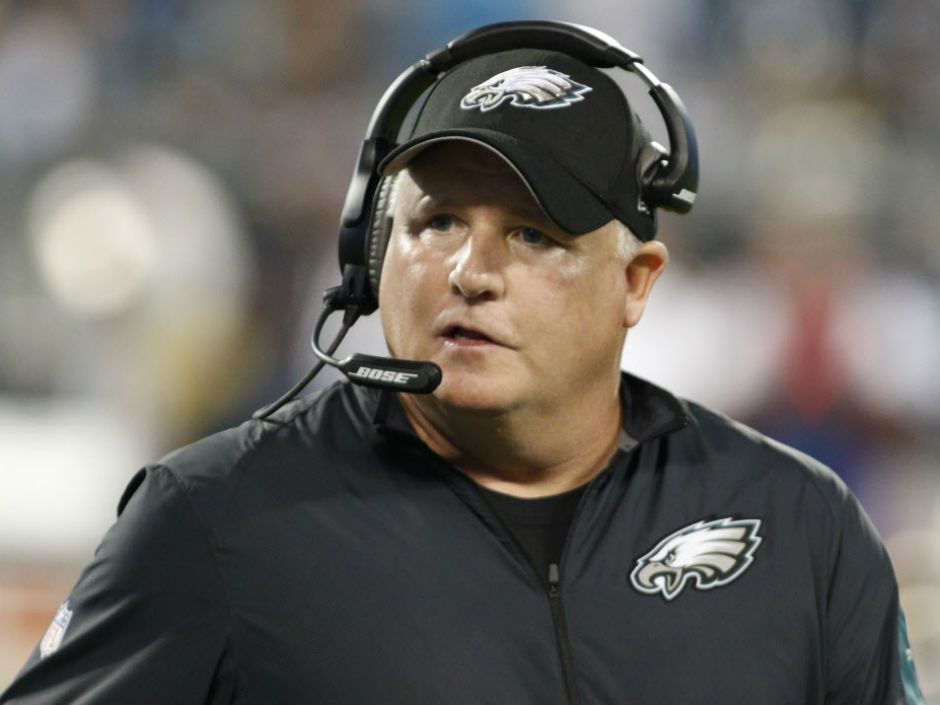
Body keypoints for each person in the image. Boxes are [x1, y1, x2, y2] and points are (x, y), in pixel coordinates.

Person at [1, 29, 926, 705]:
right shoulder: (213, 517)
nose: (470, 273)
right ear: (372, 258)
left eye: (534, 233)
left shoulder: (800, 523)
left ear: (637, 281)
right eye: (436, 222)